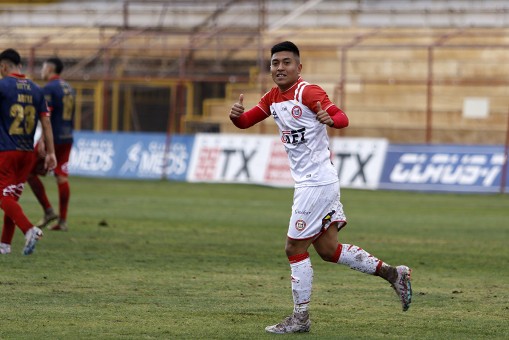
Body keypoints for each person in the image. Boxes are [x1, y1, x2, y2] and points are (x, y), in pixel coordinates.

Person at [229, 41, 412, 334]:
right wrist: (235, 115)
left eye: (286, 62)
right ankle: (394, 273)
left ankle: (300, 318)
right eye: (275, 63)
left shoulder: (308, 92)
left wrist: (332, 119)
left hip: (317, 183)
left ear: (298, 67)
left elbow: (342, 117)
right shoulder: (271, 98)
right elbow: (245, 121)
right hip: (313, 183)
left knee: (293, 247)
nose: (280, 68)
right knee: (328, 250)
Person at [0, 48, 56, 255]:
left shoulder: (2, 86)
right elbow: (47, 124)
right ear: (20, 67)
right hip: (27, 152)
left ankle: (29, 229)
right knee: (11, 198)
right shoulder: (36, 89)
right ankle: (4, 245)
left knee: (2, 197)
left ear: (4, 67)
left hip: (6, 150)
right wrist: (51, 153)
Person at [27, 57, 75, 231]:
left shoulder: (48, 89)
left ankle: (48, 210)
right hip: (68, 136)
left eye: (43, 67)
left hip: (52, 138)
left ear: (49, 69)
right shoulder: (69, 88)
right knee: (62, 176)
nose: (41, 70)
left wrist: (42, 140)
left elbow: (47, 115)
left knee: (29, 173)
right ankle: (62, 221)